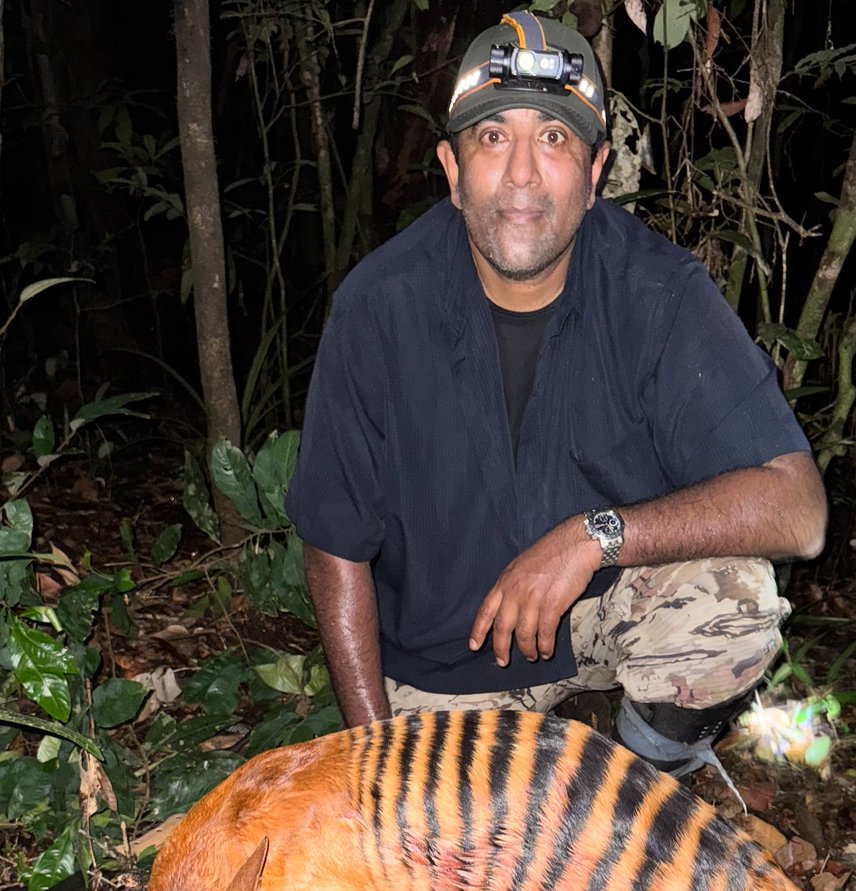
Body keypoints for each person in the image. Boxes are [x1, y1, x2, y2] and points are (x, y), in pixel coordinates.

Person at [286, 11, 827, 780]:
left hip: (603, 618)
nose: (521, 176)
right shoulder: (379, 307)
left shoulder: (657, 293)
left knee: (731, 604)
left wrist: (593, 537)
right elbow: (333, 545)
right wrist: (375, 765)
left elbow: (798, 510)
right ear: (450, 166)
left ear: (597, 169)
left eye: (554, 139)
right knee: (451, 871)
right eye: (492, 137)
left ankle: (641, 784)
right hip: (443, 668)